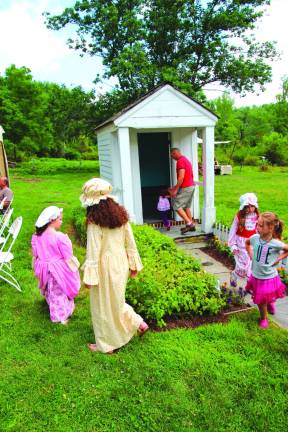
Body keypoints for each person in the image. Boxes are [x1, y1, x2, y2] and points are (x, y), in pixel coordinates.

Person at [80, 178, 149, 354]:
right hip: (121, 263)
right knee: (116, 300)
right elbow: (130, 241)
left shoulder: (94, 220)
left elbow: (93, 250)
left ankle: (106, 345)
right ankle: (137, 323)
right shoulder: (121, 215)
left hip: (104, 265)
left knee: (102, 304)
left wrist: (90, 276)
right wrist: (133, 264)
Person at [31, 206, 80, 325]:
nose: (61, 222)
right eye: (60, 220)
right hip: (58, 270)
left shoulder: (36, 237)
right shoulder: (60, 237)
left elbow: (36, 254)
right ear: (52, 221)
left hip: (43, 268)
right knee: (59, 291)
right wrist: (73, 267)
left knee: (50, 289)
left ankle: (54, 305)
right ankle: (60, 317)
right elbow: (68, 256)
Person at [245, 212, 288, 329]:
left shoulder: (275, 243)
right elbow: (247, 243)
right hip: (256, 275)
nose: (257, 227)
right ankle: (265, 315)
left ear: (270, 228)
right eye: (257, 224)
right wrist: (250, 253)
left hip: (269, 277)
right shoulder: (254, 238)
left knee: (265, 297)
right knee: (261, 300)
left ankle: (265, 316)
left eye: (260, 225)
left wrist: (278, 258)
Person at [228, 193, 259, 288]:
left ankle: (250, 284)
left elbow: (258, 229)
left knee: (251, 263)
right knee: (242, 265)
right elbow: (233, 231)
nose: (250, 209)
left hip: (253, 243)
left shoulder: (257, 215)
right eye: (247, 206)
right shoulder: (239, 216)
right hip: (241, 243)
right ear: (243, 207)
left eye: (252, 206)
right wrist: (232, 245)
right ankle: (234, 274)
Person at [169, 148, 195, 234]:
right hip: (190, 186)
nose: (171, 157)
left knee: (176, 206)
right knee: (186, 206)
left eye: (172, 155)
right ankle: (191, 226)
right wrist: (175, 187)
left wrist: (175, 189)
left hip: (186, 187)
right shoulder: (185, 159)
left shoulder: (180, 161)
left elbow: (181, 177)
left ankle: (189, 223)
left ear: (175, 153)